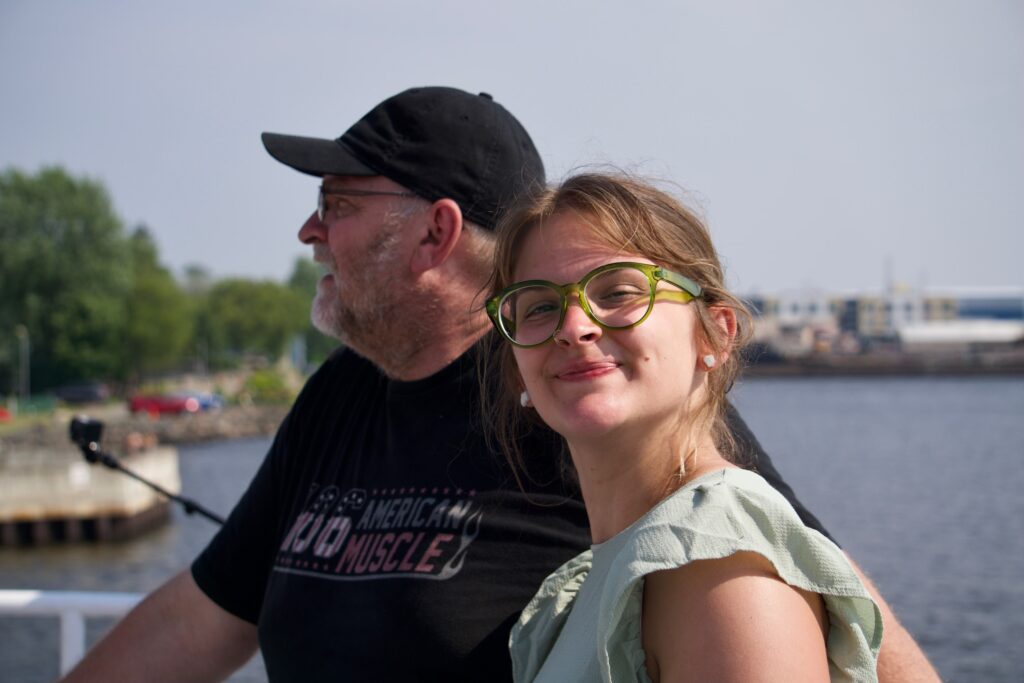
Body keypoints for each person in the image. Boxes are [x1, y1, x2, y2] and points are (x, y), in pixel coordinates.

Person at [61, 86, 940, 682]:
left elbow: (805, 579)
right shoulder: (341, 395)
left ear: (436, 233)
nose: (308, 230)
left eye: (336, 202)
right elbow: (201, 615)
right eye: (540, 305)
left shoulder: (594, 398)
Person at [483, 172, 881, 681]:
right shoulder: (621, 567)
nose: (574, 327)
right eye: (539, 305)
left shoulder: (722, 572)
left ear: (714, 334)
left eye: (619, 292)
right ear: (517, 365)